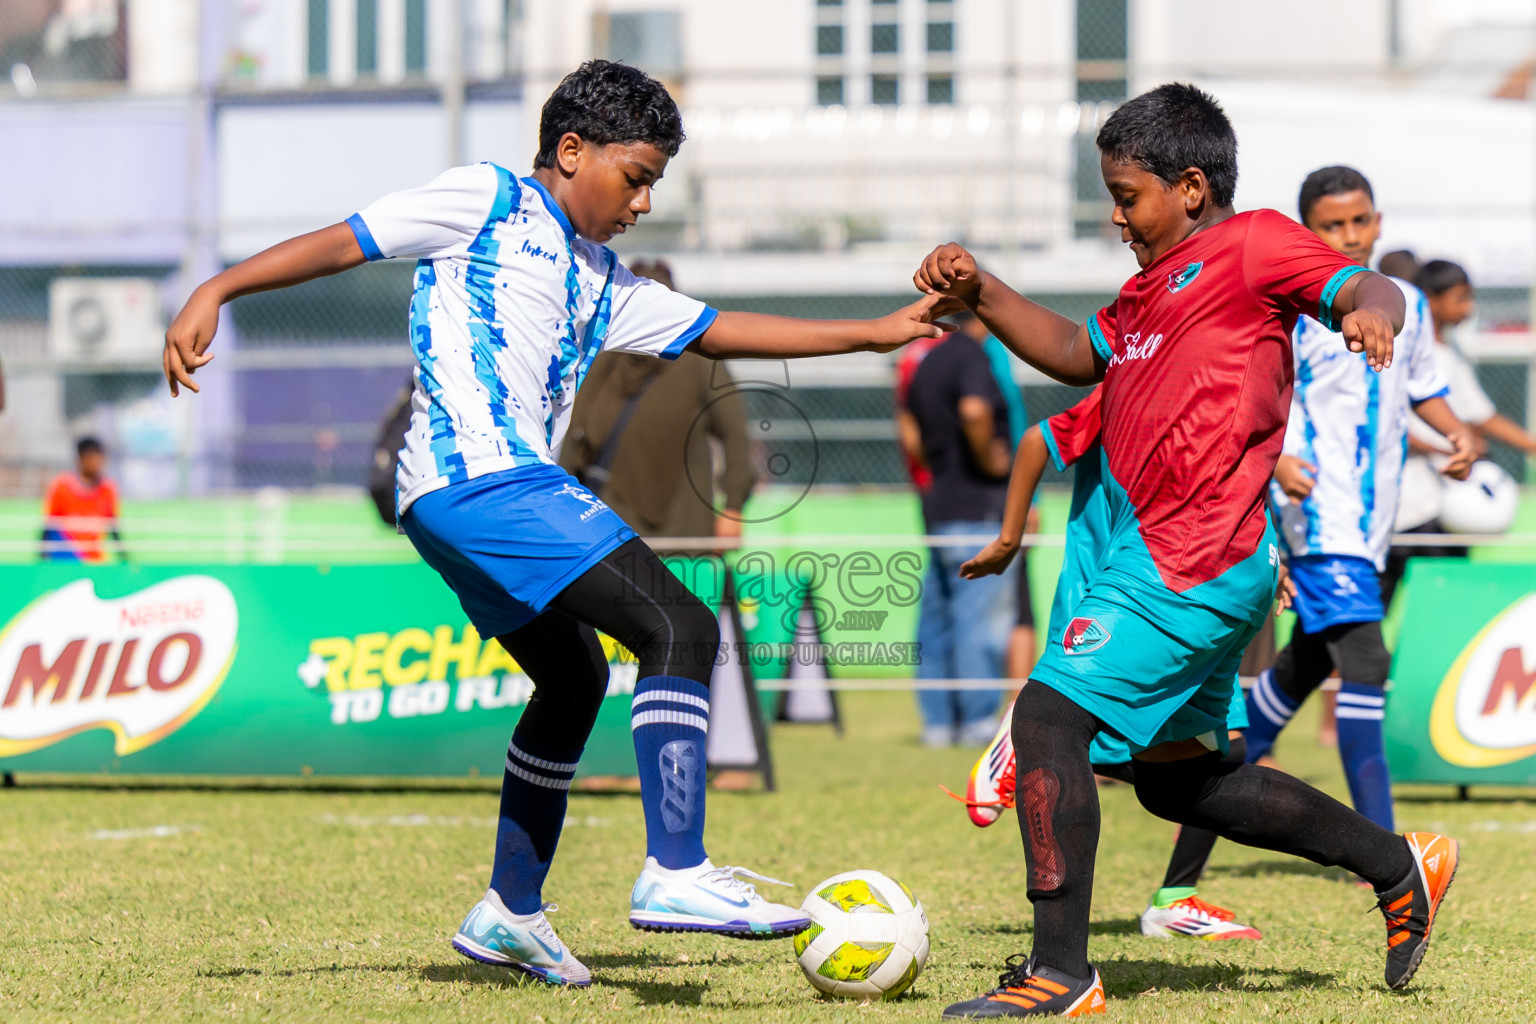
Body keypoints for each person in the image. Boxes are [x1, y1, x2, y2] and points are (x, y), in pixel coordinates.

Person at [161, 60, 955, 988]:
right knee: (682, 625)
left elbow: (718, 328)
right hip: (483, 483)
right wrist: (216, 287)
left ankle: (510, 911)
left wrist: (873, 332)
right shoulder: (484, 200)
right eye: (638, 175)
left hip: (461, 498)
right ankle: (678, 870)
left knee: (574, 680)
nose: (645, 201)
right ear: (571, 150)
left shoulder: (599, 275)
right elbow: (346, 243)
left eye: (656, 181)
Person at [916, 84, 1459, 1018]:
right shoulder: (1141, 293)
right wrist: (985, 292)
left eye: (1127, 195)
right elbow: (1078, 356)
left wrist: (1377, 311)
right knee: (1183, 785)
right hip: (1182, 562)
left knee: (1048, 717)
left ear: (1193, 185)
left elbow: (1358, 284)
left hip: (1192, 558)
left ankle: (1061, 972)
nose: (1117, 215)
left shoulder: (1251, 245)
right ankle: (1394, 865)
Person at [959, 386, 1266, 942]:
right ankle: (1023, 746)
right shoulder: (1135, 382)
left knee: (1224, 747)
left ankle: (1175, 898)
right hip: (1115, 602)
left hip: (1187, 592)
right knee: (1133, 751)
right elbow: (1037, 440)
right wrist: (1009, 539)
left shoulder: (1213, 384)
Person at [1246, 167, 1477, 836]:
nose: (1350, 236)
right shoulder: (1292, 310)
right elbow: (1260, 398)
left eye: (1360, 220)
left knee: (1308, 661)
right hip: (1317, 510)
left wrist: (1455, 430)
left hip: (1374, 519)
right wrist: (1277, 461)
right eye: (1331, 225)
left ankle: (1221, 771)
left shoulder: (1407, 301)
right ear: (1306, 233)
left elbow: (1421, 383)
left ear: (1377, 221)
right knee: (1368, 661)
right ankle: (1383, 847)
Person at [560, 258, 755, 549]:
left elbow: (735, 434)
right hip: (613, 526)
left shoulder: (698, 361)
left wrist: (733, 508)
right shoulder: (604, 361)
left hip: (683, 530)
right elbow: (573, 438)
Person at [1385, 258, 1536, 606]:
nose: (1469, 308)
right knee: (1366, 614)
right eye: (1460, 298)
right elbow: (1392, 424)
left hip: (1442, 504)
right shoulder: (1397, 350)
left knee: (1444, 602)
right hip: (1401, 504)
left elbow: (1478, 415)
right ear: (1428, 299)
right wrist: (1444, 446)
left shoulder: (1450, 352)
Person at [901, 310, 1017, 747]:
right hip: (978, 509)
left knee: (936, 621)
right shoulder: (973, 354)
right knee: (979, 622)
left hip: (939, 508)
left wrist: (937, 468)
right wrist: (990, 461)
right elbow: (974, 409)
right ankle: (977, 725)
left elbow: (909, 430)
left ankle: (937, 724)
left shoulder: (928, 360)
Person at [41, 437, 123, 562]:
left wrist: (124, 559)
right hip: (65, 558)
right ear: (81, 458)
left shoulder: (108, 489)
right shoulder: (62, 486)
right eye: (93, 458)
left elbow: (114, 527)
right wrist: (42, 556)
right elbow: (49, 525)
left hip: (93, 560)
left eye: (100, 458)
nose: (97, 462)